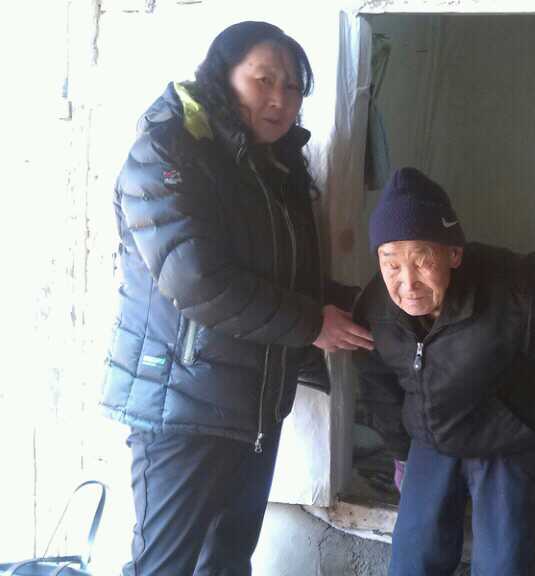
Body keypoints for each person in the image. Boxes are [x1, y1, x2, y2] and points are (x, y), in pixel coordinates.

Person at [101, 21, 374, 575]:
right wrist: (310, 324)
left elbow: (292, 282)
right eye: (263, 79)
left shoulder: (275, 169)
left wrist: (377, 306)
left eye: (292, 86)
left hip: (255, 409)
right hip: (181, 403)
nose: (280, 99)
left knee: (227, 563)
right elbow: (196, 281)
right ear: (222, 75)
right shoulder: (169, 151)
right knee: (165, 567)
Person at [353, 167, 535, 576]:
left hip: (508, 434)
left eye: (422, 261)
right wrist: (401, 451)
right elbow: (377, 378)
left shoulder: (518, 288)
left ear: (454, 254)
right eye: (391, 263)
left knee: (503, 564)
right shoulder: (377, 307)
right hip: (432, 436)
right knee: (412, 560)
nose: (407, 283)